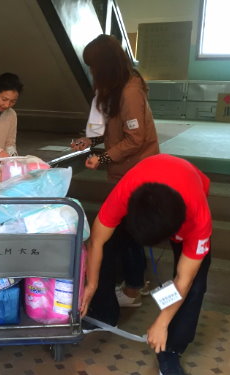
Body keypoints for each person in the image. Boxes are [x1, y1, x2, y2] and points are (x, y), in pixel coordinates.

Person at [80, 154, 212, 375]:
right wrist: (91, 285)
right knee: (109, 243)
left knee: (197, 284)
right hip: (148, 186)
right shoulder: (125, 192)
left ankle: (171, 350)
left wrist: (161, 322)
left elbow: (184, 279)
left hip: (188, 193)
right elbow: (96, 241)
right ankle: (104, 313)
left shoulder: (198, 220)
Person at [70, 34, 159, 306]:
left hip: (137, 173)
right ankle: (134, 284)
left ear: (105, 65)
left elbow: (136, 138)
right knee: (127, 233)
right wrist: (91, 142)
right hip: (125, 172)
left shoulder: (130, 91)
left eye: (93, 66)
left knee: (126, 234)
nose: (92, 72)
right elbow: (114, 131)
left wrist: (103, 159)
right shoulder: (117, 88)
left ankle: (132, 291)